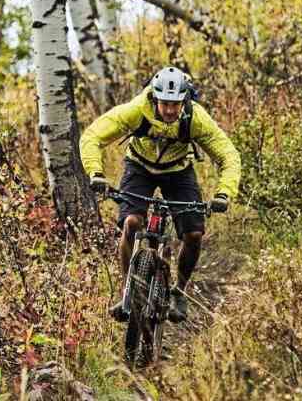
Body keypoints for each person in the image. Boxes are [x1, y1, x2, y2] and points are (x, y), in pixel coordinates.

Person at [80, 66, 241, 323]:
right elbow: (92, 136)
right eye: (164, 103)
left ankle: (179, 292)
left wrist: (224, 193)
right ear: (155, 99)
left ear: (184, 101)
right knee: (132, 223)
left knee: (194, 234)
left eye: (175, 105)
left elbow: (228, 155)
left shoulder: (195, 118)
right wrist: (96, 173)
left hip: (179, 172)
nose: (169, 110)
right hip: (139, 167)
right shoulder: (137, 110)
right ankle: (127, 291)